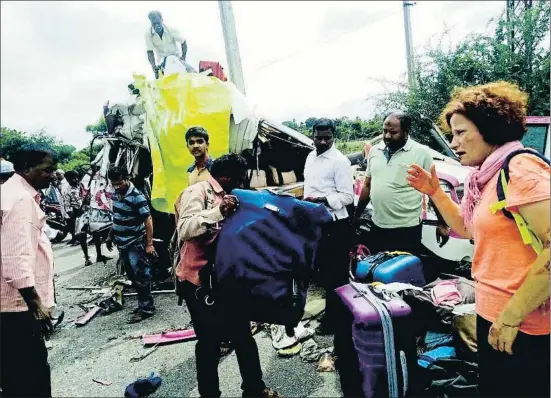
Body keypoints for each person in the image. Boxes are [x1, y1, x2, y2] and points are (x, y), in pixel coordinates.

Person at [406, 81, 550, 397]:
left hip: (523, 319)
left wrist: (511, 318)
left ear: (489, 128)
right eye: (451, 134)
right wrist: (435, 193)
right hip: (494, 311)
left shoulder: (520, 168)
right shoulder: (487, 176)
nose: (453, 142)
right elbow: (470, 229)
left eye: (461, 132)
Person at [175, 153, 278, 398]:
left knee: (243, 336)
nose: (242, 186)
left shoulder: (234, 196)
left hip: (227, 279)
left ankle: (254, 389)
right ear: (225, 177)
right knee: (209, 343)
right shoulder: (198, 192)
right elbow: (185, 229)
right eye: (240, 180)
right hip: (199, 282)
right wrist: (218, 211)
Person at [1, 144, 58, 397]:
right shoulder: (20, 200)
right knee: (29, 374)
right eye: (47, 170)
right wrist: (35, 304)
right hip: (17, 307)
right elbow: (16, 256)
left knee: (13, 376)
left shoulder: (10, 192)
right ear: (26, 168)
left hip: (12, 306)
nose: (53, 175)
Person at [352, 111, 433, 256]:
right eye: (384, 131)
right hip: (378, 225)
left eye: (393, 132)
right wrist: (357, 215)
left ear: (406, 131)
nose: (387, 136)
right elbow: (367, 185)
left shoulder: (422, 153)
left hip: (407, 229)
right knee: (378, 271)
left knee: (403, 273)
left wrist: (442, 224)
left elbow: (433, 189)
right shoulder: (375, 151)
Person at [302, 118, 354, 335]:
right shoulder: (310, 156)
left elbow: (348, 197)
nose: (322, 141)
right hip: (316, 223)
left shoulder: (340, 162)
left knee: (336, 275)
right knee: (322, 273)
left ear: (334, 136)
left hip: (335, 224)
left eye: (327, 138)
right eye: (318, 137)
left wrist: (322, 200)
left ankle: (337, 322)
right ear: (312, 135)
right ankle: (334, 315)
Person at [106, 166, 157, 323]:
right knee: (132, 276)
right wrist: (110, 235)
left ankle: (147, 308)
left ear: (127, 178)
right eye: (114, 184)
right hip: (122, 243)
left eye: (120, 183)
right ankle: (143, 304)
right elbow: (117, 217)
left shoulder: (137, 196)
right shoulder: (116, 194)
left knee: (141, 275)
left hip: (135, 243)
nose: (117, 186)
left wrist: (149, 244)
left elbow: (148, 220)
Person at [145, 10, 188, 79]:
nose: (156, 26)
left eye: (158, 23)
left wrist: (183, 58)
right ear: (151, 23)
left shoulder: (171, 29)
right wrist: (154, 67)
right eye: (154, 24)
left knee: (187, 73)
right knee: (159, 77)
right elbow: (150, 52)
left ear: (162, 20)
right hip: (162, 60)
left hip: (176, 57)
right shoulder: (148, 35)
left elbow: (183, 42)